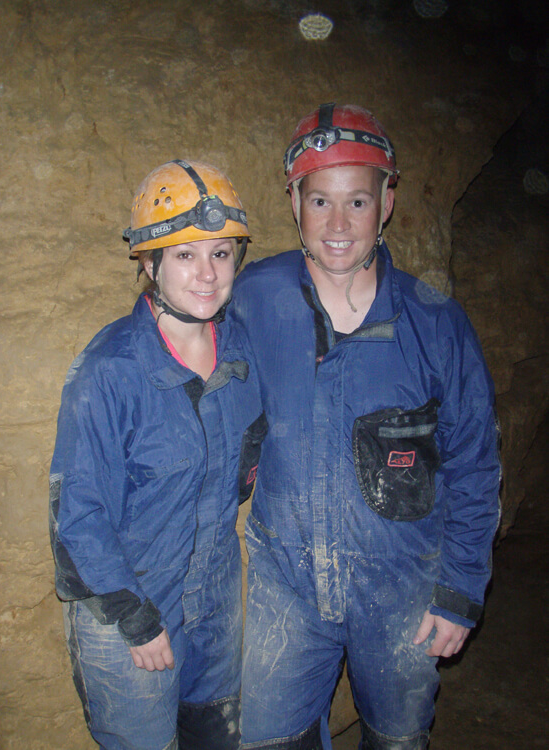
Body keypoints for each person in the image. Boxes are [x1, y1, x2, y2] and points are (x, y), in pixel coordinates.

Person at [229, 104, 501, 749]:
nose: (338, 224)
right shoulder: (255, 296)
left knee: (397, 737)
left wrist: (459, 590)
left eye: (358, 201)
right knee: (269, 740)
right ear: (293, 200)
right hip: (285, 582)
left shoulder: (435, 325)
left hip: (401, 586)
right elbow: (179, 322)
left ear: (388, 201)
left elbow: (474, 463)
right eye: (319, 199)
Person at [49, 159, 266, 750]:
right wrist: (136, 618)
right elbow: (79, 515)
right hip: (129, 607)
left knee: (216, 736)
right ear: (150, 263)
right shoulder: (110, 371)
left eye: (220, 254)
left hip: (215, 598)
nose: (206, 274)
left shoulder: (241, 352)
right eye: (185, 255)